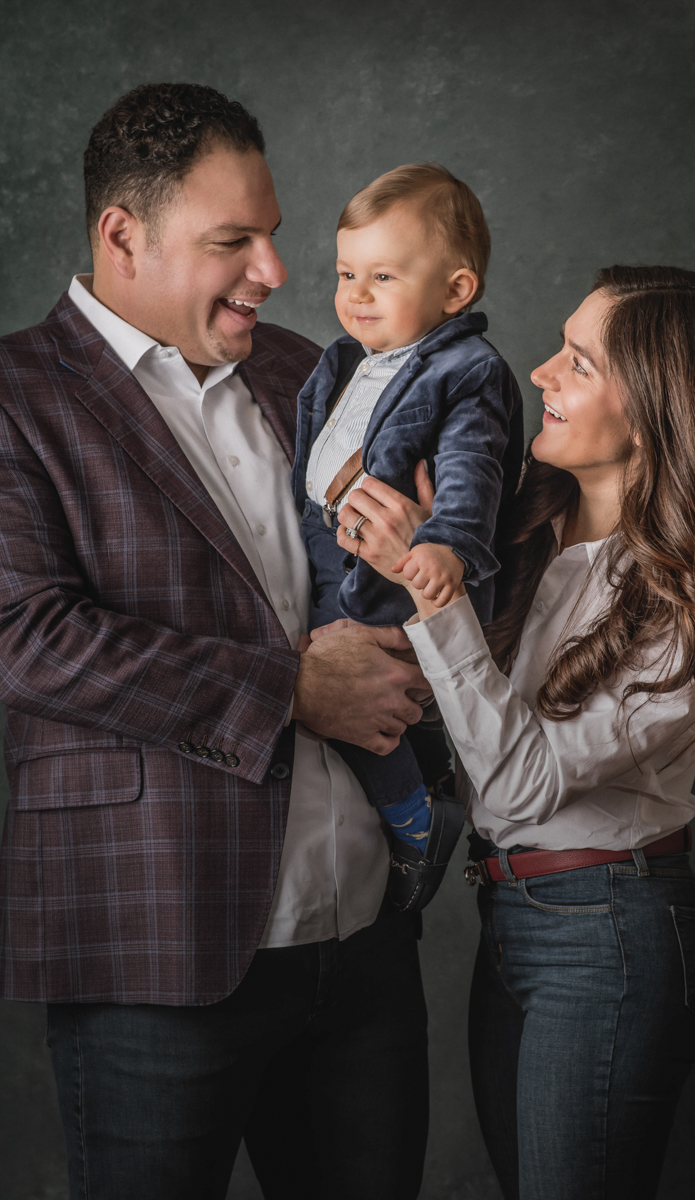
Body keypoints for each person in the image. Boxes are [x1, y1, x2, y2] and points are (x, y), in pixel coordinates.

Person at [0, 83, 433, 1200]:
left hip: (364, 945)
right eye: (232, 241)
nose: (275, 272)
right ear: (121, 235)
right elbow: (25, 636)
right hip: (158, 951)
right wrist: (290, 688)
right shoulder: (15, 399)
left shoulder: (310, 375)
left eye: (274, 233)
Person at [330, 265, 695, 1199]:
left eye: (576, 362)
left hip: (610, 937)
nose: (539, 373)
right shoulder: (519, 533)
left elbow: (517, 786)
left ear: (657, 416)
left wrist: (432, 593)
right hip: (506, 914)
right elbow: (463, 717)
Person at [293, 163, 523, 910]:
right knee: (340, 697)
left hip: (394, 566)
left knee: (369, 706)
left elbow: (471, 463)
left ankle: (415, 821)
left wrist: (446, 543)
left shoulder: (466, 369)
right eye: (345, 272)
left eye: (382, 276)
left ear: (455, 291)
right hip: (324, 550)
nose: (354, 295)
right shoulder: (346, 363)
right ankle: (417, 795)